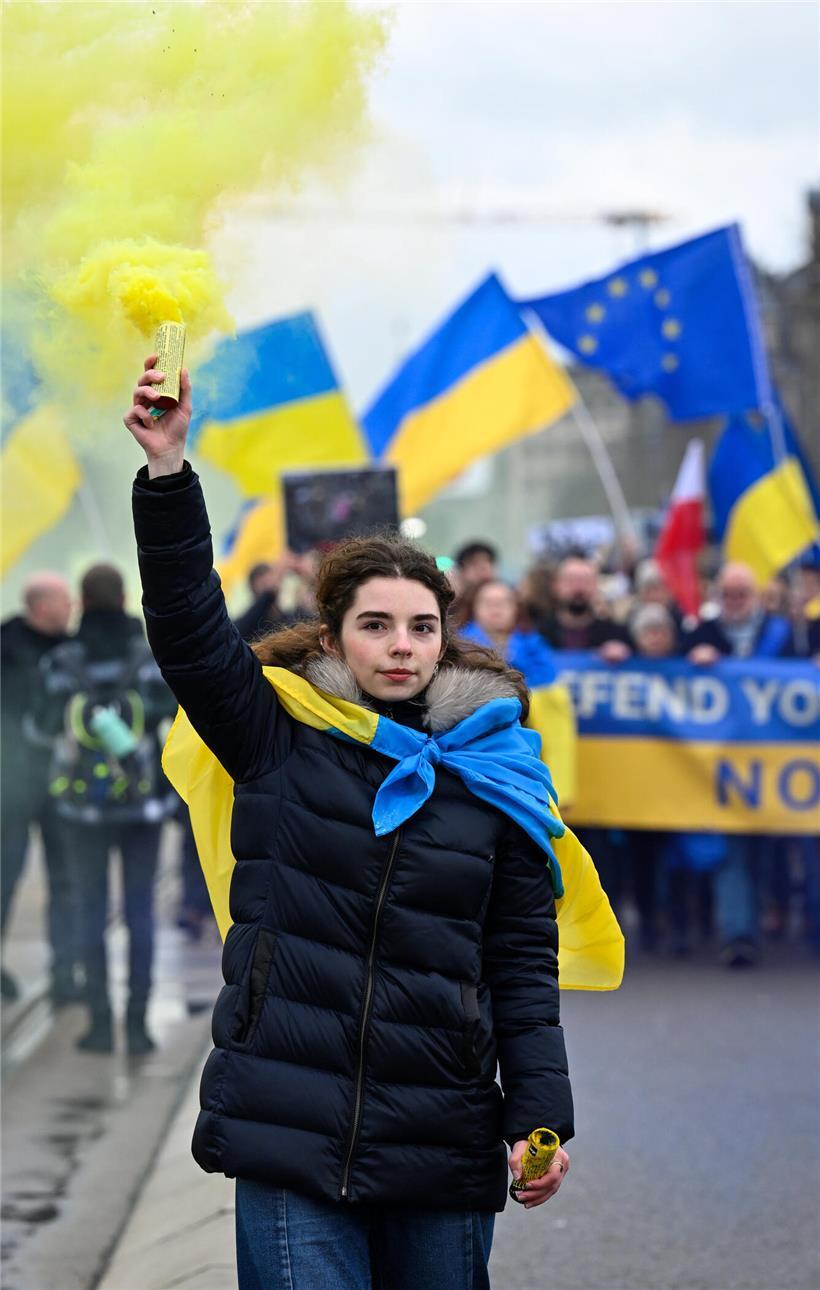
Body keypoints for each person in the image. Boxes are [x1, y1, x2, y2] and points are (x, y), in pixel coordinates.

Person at [123, 357, 620, 1290]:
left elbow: (520, 962)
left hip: (444, 1135)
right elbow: (189, 629)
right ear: (332, 637)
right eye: (378, 625)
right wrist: (167, 470)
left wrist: (540, 1119)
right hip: (290, 1131)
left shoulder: (494, 770)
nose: (402, 646)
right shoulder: (275, 737)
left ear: (446, 636)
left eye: (422, 627)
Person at [35, 563, 177, 1050]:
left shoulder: (61, 661)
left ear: (82, 600)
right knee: (140, 911)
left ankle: (99, 1024)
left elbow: (39, 728)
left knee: (89, 909)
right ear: (123, 599)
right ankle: (138, 1026)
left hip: (81, 810)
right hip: (144, 807)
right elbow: (173, 714)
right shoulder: (149, 657)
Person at [685, 562, 791, 967]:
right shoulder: (701, 634)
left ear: (757, 596)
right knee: (732, 853)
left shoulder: (784, 634)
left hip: (777, 766)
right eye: (727, 594)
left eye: (741, 594)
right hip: (723, 769)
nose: (733, 602)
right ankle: (739, 934)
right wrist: (691, 659)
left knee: (770, 853)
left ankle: (769, 919)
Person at [1, 573, 75, 1003]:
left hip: (62, 785)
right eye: (65, 600)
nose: (72, 608)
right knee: (3, 878)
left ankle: (64, 971)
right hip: (11, 788)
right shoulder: (6, 646)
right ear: (42, 605)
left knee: (66, 880)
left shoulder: (73, 651)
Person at [538, 555, 632, 661]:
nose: (579, 588)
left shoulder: (615, 635)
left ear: (596, 586)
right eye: (571, 581)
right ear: (557, 586)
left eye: (586, 581)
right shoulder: (538, 634)